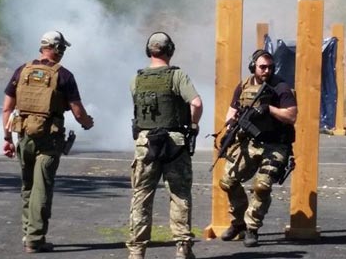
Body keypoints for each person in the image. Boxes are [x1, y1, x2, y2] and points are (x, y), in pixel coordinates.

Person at [2, 30, 94, 253]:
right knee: (42, 187)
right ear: (58, 49)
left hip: (23, 136)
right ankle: (35, 239)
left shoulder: (21, 71)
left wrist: (7, 139)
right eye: (62, 48)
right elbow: (77, 111)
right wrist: (87, 123)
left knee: (28, 186)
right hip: (49, 140)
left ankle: (28, 233)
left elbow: (7, 108)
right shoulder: (64, 75)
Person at [126, 32, 203, 259]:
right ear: (170, 50)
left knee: (141, 196)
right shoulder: (177, 76)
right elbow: (196, 103)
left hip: (146, 143)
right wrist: (193, 124)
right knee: (179, 195)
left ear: (149, 51)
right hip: (174, 143)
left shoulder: (137, 79)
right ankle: (182, 249)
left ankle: (137, 251)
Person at [219, 49, 297, 247]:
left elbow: (291, 116)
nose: (267, 71)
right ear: (253, 66)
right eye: (262, 67)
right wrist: (231, 125)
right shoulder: (244, 86)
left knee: (262, 186)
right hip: (249, 142)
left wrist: (269, 109)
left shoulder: (280, 88)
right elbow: (231, 112)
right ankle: (239, 223)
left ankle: (252, 228)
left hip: (275, 145)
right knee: (227, 181)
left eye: (270, 67)